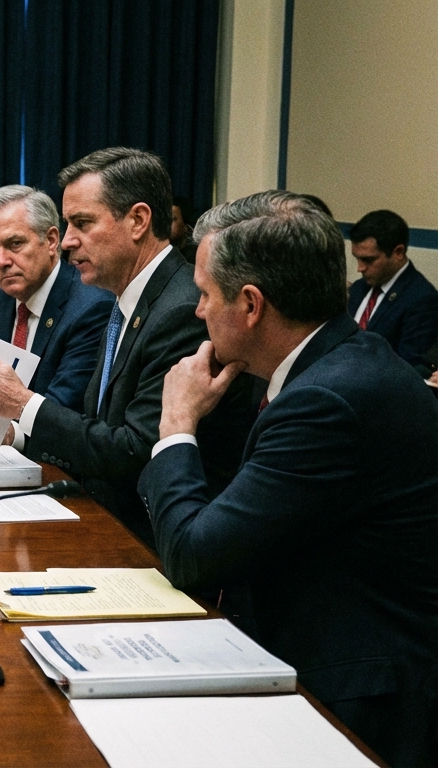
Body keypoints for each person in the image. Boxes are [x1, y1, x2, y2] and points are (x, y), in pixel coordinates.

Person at [139, 191, 438, 767]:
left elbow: (196, 556)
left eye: (204, 295)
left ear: (251, 305)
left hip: (356, 699)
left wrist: (175, 422)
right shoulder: (331, 363)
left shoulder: (327, 399)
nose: (197, 312)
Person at [0, 147, 254, 545]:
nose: (68, 241)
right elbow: (98, 425)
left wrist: (22, 404)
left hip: (147, 539)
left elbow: (134, 450)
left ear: (138, 220)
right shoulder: (125, 299)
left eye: (82, 223)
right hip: (103, 516)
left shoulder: (180, 311)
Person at [0, 185, 114, 410]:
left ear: (51, 240)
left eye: (15, 244)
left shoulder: (91, 308)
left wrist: (10, 435)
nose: (1, 261)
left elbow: (63, 408)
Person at [345, 209, 438, 367]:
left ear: (398, 252)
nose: (359, 269)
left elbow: (409, 368)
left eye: (368, 260)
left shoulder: (422, 299)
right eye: (357, 259)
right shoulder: (359, 288)